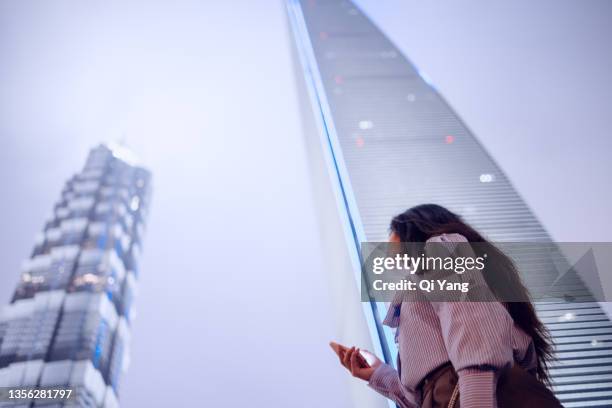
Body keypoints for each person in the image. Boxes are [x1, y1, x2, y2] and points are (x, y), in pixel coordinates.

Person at [332, 204, 559, 408]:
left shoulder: (441, 249)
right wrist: (378, 373)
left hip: (481, 392)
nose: (389, 250)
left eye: (393, 236)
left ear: (412, 232)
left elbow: (474, 329)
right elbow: (428, 392)